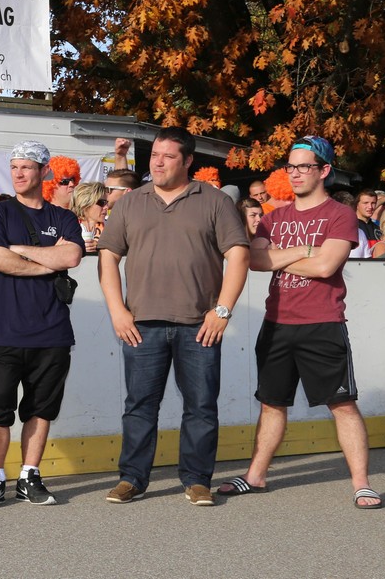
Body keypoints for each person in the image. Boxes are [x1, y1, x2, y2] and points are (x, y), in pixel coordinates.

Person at [217, 135, 383, 509]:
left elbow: (326, 266)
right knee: (271, 403)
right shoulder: (273, 217)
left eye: (304, 166)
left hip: (322, 323)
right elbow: (255, 261)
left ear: (324, 170)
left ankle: (361, 484)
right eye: (290, 166)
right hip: (277, 322)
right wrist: (305, 250)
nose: (294, 173)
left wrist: (281, 256)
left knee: (342, 404)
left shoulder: (340, 214)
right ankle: (255, 477)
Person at [97, 126, 248, 507]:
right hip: (142, 324)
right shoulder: (130, 202)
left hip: (199, 324)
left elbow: (238, 255)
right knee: (139, 406)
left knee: (201, 406)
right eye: (155, 155)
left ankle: (197, 480)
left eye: (168, 156)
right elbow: (108, 257)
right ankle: (131, 478)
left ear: (188, 161)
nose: (158, 162)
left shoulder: (214, 201)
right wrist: (117, 311)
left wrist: (222, 311)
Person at [0, 141, 84, 507]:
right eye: (14, 167)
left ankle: (29, 475)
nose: (18, 173)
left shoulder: (63, 217)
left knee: (41, 408)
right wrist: (47, 263)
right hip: (2, 331)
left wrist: (18, 249)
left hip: (52, 333)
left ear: (44, 171)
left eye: (26, 167)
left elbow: (72, 256)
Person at [71, 181, 108, 253]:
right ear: (85, 204)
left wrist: (100, 246)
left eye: (106, 203)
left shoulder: (110, 226)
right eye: (102, 203)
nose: (106, 207)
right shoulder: (69, 226)